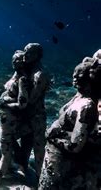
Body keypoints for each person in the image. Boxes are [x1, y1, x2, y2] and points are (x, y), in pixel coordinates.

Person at [39, 59, 100, 189]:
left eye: (80, 75)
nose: (75, 77)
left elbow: (76, 145)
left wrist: (54, 135)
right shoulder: (79, 96)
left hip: (62, 165)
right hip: (55, 161)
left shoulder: (86, 106)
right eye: (74, 73)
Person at [0, 50, 29, 181]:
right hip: (6, 116)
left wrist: (5, 104)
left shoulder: (22, 79)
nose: (15, 62)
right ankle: (13, 166)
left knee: (4, 143)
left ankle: (1, 172)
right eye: (14, 60)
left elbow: (22, 104)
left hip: (11, 118)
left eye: (18, 60)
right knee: (7, 143)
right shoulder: (16, 75)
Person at [19, 43, 50, 180]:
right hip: (28, 115)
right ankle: (23, 171)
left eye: (29, 53)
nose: (25, 55)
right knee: (25, 144)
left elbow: (32, 100)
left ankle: (40, 178)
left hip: (36, 116)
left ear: (38, 56)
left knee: (38, 149)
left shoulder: (40, 74)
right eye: (25, 51)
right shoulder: (28, 71)